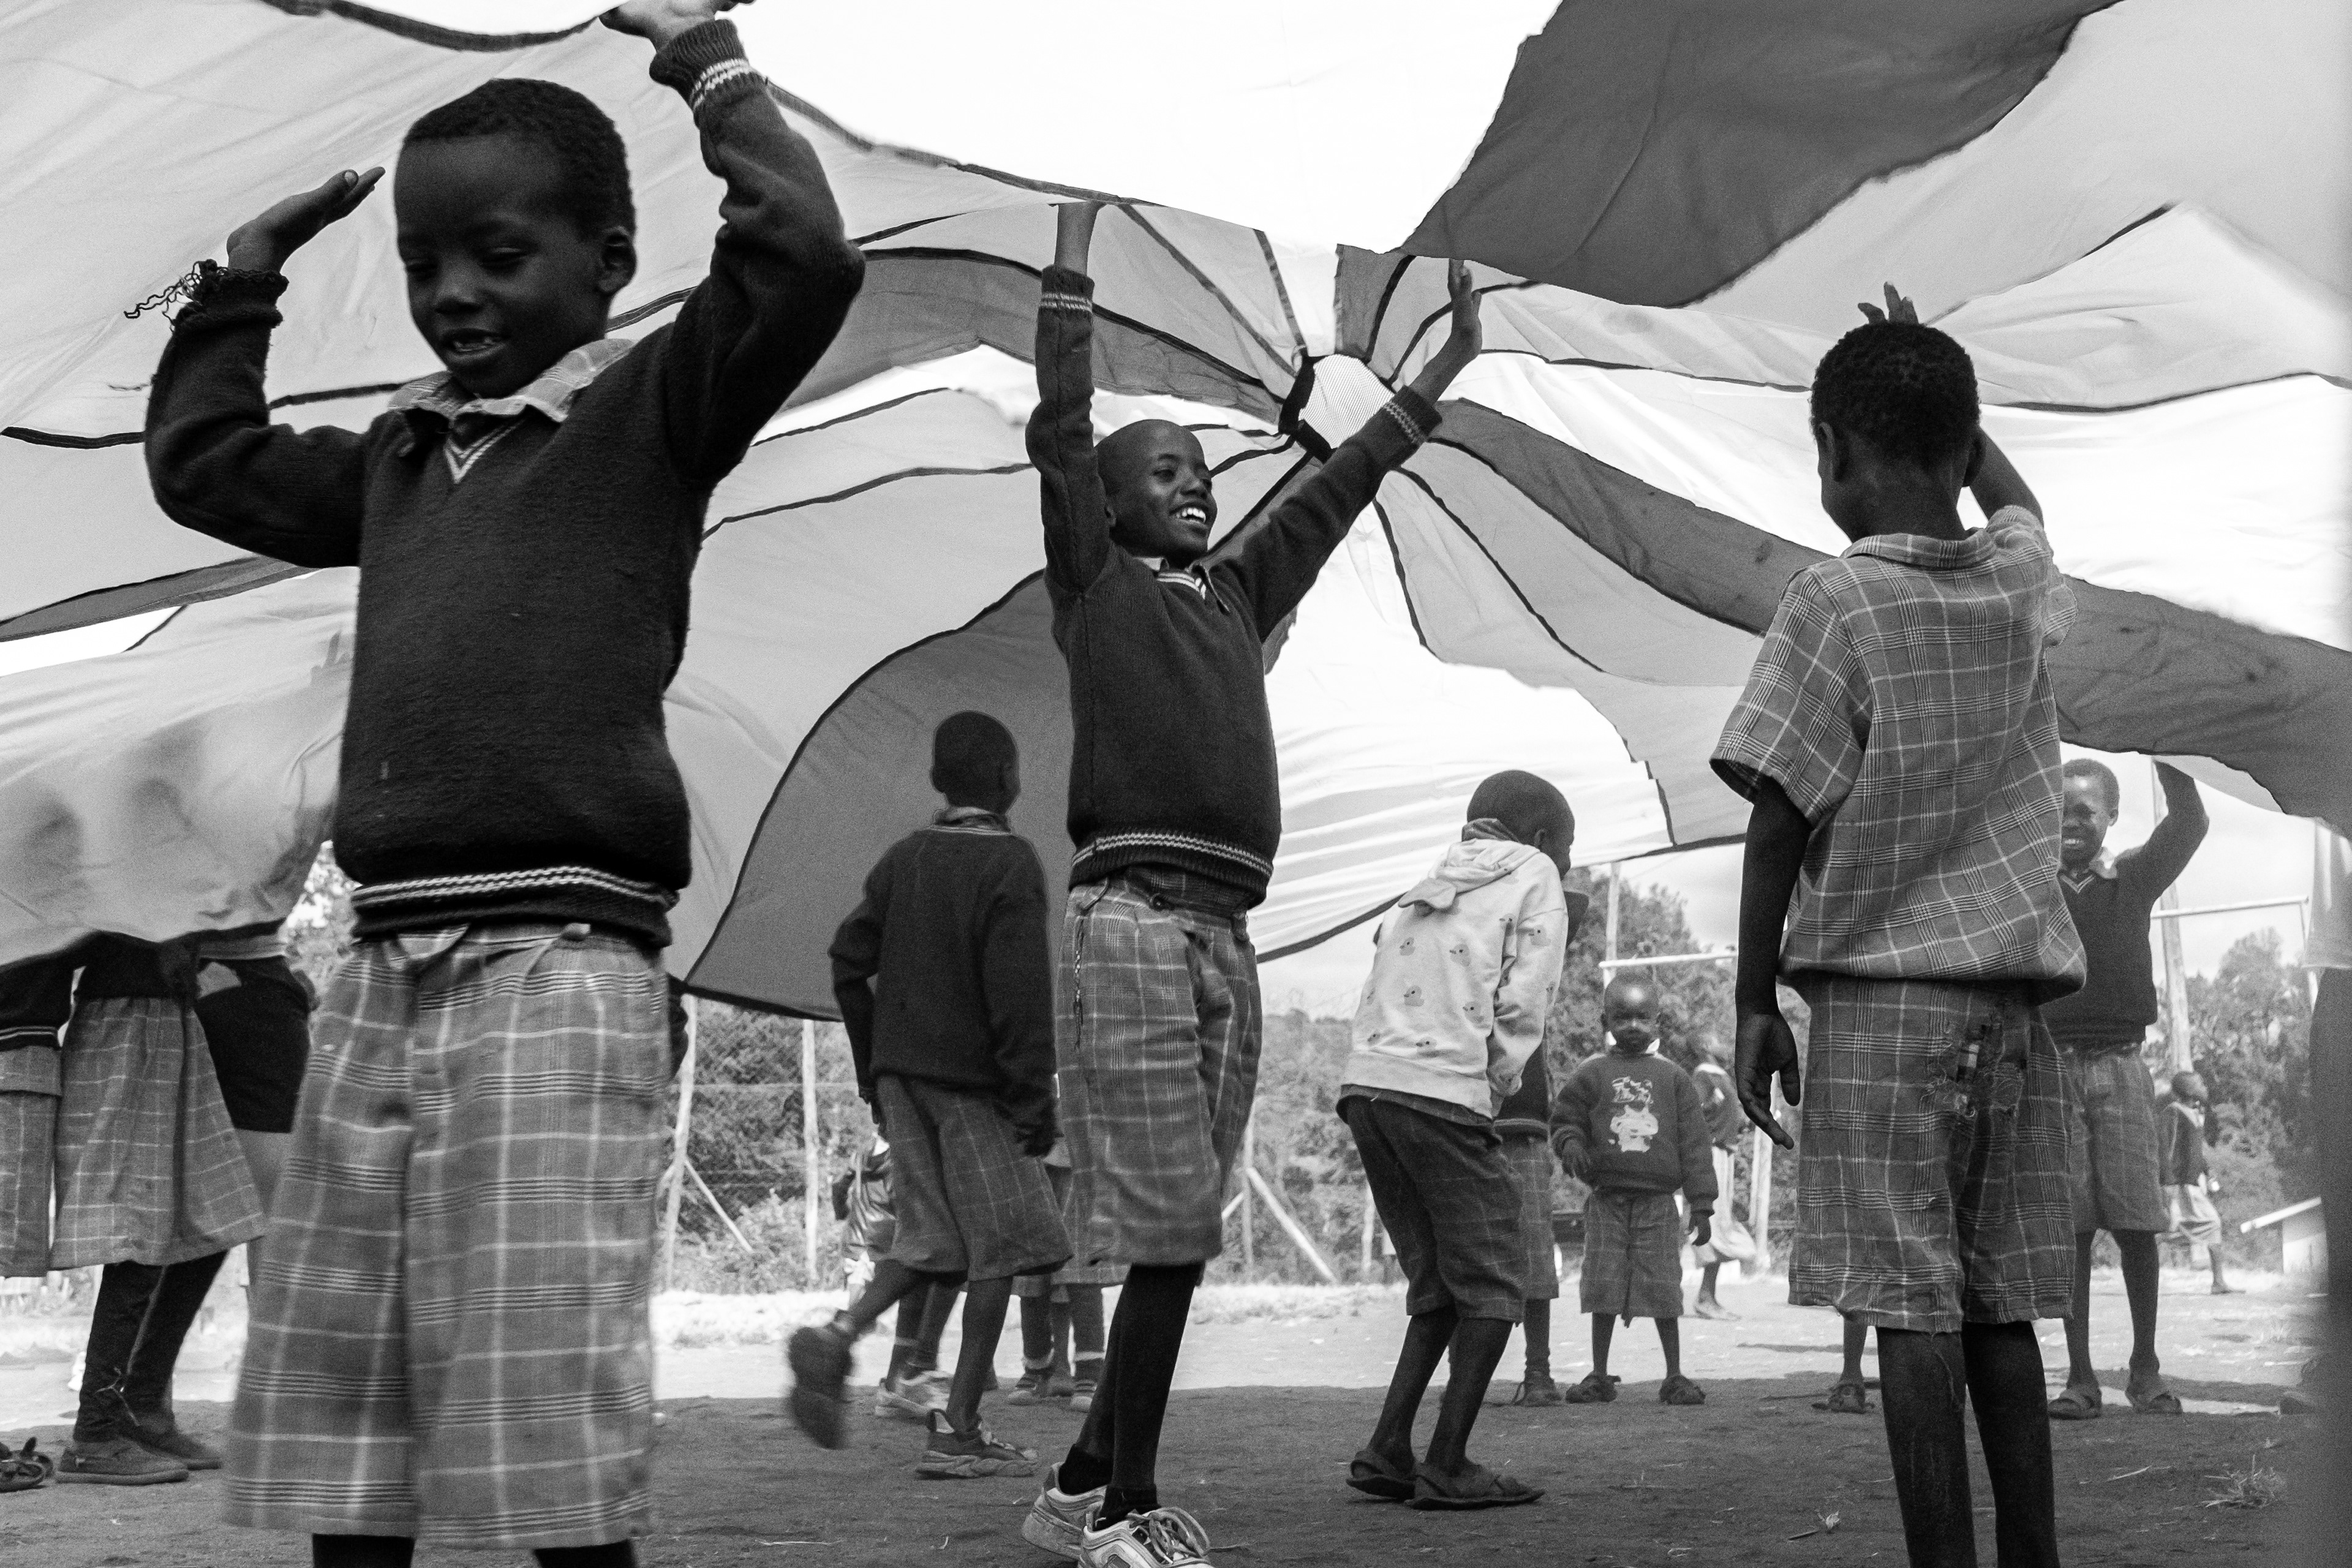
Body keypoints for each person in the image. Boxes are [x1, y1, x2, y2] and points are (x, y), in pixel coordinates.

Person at [142, 0, 864, 1555]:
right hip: (381, 965)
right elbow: (204, 466)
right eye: (421, 265)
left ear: (607, 261)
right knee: (345, 1371)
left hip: (562, 960)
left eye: (497, 254)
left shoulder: (649, 412)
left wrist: (709, 64)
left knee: (542, 1370)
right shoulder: (398, 459)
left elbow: (804, 258)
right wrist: (244, 280)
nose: (452, 293)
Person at [1020, 203, 1485, 1568]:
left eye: (1199, 470)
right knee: (1166, 1232)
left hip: (1225, 934)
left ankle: (1078, 1483)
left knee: (1187, 1229)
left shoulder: (1233, 595)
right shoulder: (1094, 586)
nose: (1193, 483)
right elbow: (1061, 427)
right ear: (1108, 504)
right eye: (1160, 470)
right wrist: (1072, 253)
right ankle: (1125, 1510)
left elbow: (1338, 490)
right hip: (1131, 922)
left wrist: (1439, 376)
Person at [1716, 287, 2080, 1568]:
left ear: (1833, 454)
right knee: (1998, 1303)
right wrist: (1960, 422)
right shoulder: (2018, 583)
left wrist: (1754, 1000)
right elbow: (2022, 510)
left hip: (1881, 1009)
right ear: (1962, 445)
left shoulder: (1836, 600)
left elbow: (1777, 812)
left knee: (1909, 1307)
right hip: (2013, 1011)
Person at [796, 711, 1069, 1480]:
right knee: (1001, 1250)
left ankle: (839, 1334)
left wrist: (874, 1068)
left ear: (938, 782)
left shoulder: (904, 858)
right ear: (1009, 779)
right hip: (975, 1086)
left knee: (934, 1242)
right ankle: (959, 1429)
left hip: (903, 1080)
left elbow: (848, 960)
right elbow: (1019, 993)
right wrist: (1032, 1098)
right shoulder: (1010, 863)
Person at [1337, 771, 1575, 1510]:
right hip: (1443, 1094)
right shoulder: (1535, 875)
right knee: (1499, 1280)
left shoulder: (1433, 877)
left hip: (1367, 1089)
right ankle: (1448, 1462)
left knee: (1439, 1283)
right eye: (1568, 850)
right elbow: (1527, 997)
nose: (1567, 864)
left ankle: (1387, 1447)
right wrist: (1491, 1088)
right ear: (1543, 839)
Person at [44, 937, 267, 1485]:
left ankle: (134, 1412)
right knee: (136, 1232)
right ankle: (95, 1433)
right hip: (127, 1021)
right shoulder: (129, 892)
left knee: (191, 1218)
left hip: (164, 1018)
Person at [2039, 757, 2209, 1422]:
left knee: (2138, 1224)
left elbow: (2189, 822)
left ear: (2111, 817)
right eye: (2059, 809)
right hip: (2051, 1069)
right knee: (2072, 1229)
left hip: (2122, 1066)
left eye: (2085, 810)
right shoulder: (2031, 884)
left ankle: (2145, 1368)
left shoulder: (2134, 877)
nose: (2070, 821)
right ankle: (2081, 1377)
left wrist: (2165, 746)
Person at [1552, 975, 1714, 1406]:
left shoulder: (1674, 1079)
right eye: (1622, 1017)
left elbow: (1695, 1145)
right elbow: (1565, 1119)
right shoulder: (1591, 1073)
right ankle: (1599, 1375)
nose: (1633, 1026)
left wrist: (1702, 1204)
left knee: (1664, 1288)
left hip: (1659, 1204)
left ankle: (1674, 1375)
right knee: (1602, 1285)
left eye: (1643, 1017)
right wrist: (1571, 1144)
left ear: (1658, 1022)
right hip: (1606, 1201)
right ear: (1605, 1020)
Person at [1010, 1140, 1117, 1414]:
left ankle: (1089, 1375)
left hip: (1084, 1158)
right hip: (1031, 1156)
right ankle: (1038, 1367)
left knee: (1081, 1271)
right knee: (1033, 1272)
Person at [1687, 1032, 1755, 1319]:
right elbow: (1691, 1117)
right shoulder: (1704, 1078)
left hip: (1723, 1155)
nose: (1725, 1047)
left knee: (1718, 1224)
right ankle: (1705, 1297)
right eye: (1718, 1041)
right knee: (1713, 1226)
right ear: (1705, 1047)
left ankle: (1707, 1296)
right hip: (1710, 1156)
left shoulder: (1720, 1078)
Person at [2159, 1071, 2236, 1294]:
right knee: (2184, 1227)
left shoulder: (2195, 1114)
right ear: (2188, 1089)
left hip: (2191, 1185)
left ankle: (2218, 1282)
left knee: (2210, 1224)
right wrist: (2168, 1182)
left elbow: (2195, 1152)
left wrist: (2208, 1172)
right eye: (2200, 1084)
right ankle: (2218, 1282)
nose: (2205, 1087)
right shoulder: (2173, 1112)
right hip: (2178, 1186)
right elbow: (2166, 1149)